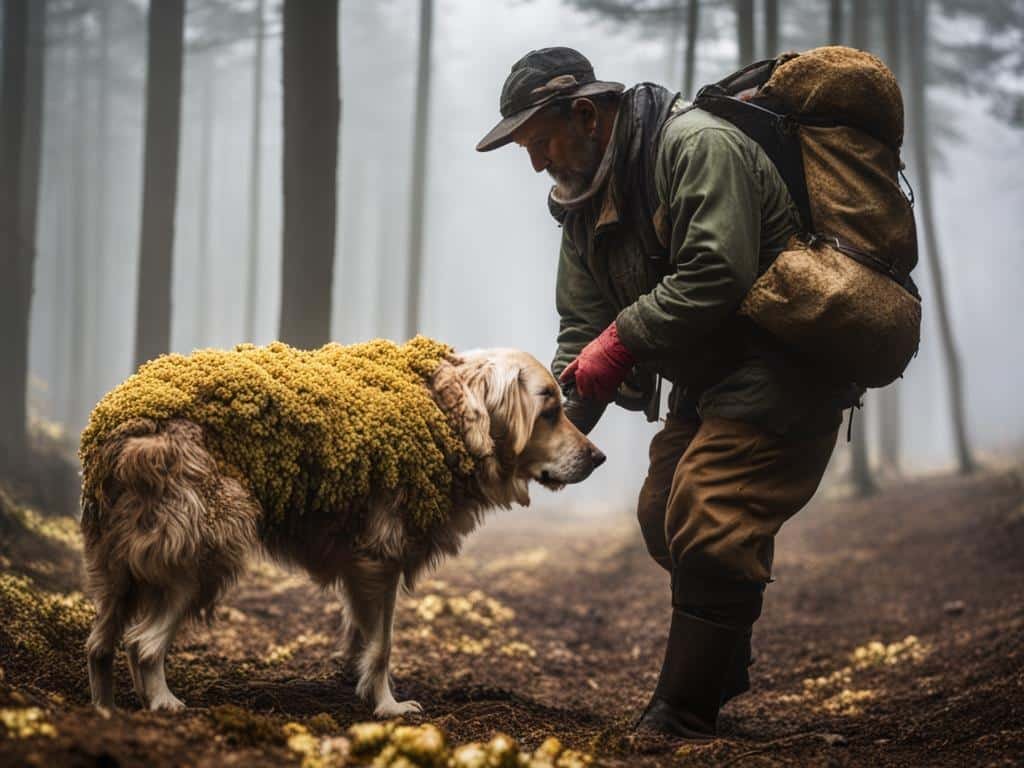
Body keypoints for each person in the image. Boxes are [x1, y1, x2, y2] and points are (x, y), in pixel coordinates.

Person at [476, 47, 858, 740]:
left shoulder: (696, 147)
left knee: (711, 518)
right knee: (663, 513)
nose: (535, 164)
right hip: (707, 380)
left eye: (540, 142)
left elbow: (717, 271)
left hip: (785, 364)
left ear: (586, 114)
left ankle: (684, 711)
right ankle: (720, 660)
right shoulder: (583, 202)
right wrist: (540, 430)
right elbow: (581, 332)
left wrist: (621, 342)